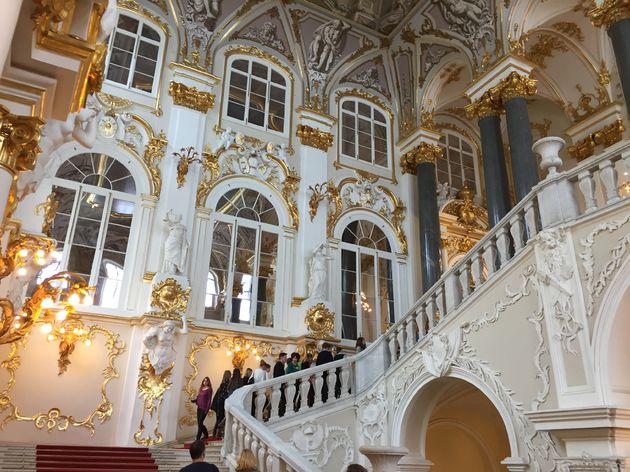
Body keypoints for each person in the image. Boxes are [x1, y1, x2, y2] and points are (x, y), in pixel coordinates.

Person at [210, 370, 231, 438]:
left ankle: (215, 433)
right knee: (221, 418)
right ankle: (216, 433)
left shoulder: (222, 383)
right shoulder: (227, 383)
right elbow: (224, 395)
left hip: (218, 404)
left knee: (218, 418)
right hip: (222, 404)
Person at [192, 376, 212, 441]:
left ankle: (197, 439)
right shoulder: (201, 388)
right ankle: (206, 434)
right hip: (199, 408)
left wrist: (207, 409)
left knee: (200, 423)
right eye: (204, 381)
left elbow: (209, 400)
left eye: (206, 381)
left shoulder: (209, 389)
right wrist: (194, 400)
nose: (205, 382)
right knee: (199, 423)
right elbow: (199, 397)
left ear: (208, 382)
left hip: (204, 408)